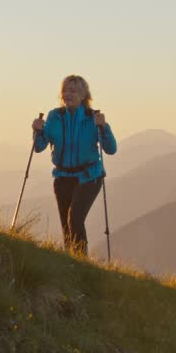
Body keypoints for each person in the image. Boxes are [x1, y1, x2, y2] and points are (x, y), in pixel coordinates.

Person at [31, 74, 117, 256]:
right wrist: (36, 131)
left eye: (72, 90)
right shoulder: (55, 116)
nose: (67, 94)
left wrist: (104, 127)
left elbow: (111, 149)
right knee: (66, 225)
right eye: (64, 91)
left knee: (75, 219)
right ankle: (71, 263)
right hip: (62, 178)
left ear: (83, 95)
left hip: (89, 177)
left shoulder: (92, 117)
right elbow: (38, 147)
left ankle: (81, 262)